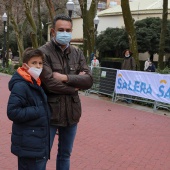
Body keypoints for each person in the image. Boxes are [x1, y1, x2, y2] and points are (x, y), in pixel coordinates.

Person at [39, 14, 93, 170]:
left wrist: (64, 77)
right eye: (61, 30)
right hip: (50, 113)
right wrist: (75, 85)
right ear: (53, 31)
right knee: (42, 154)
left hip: (72, 114)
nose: (65, 33)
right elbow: (49, 83)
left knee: (65, 155)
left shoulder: (77, 53)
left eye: (68, 30)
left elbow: (89, 80)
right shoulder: (43, 53)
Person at [7, 47, 51, 170]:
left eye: (40, 63)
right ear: (25, 65)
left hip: (36, 143)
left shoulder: (35, 82)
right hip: (29, 145)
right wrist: (39, 111)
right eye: (34, 63)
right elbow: (12, 112)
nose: (38, 66)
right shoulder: (21, 85)